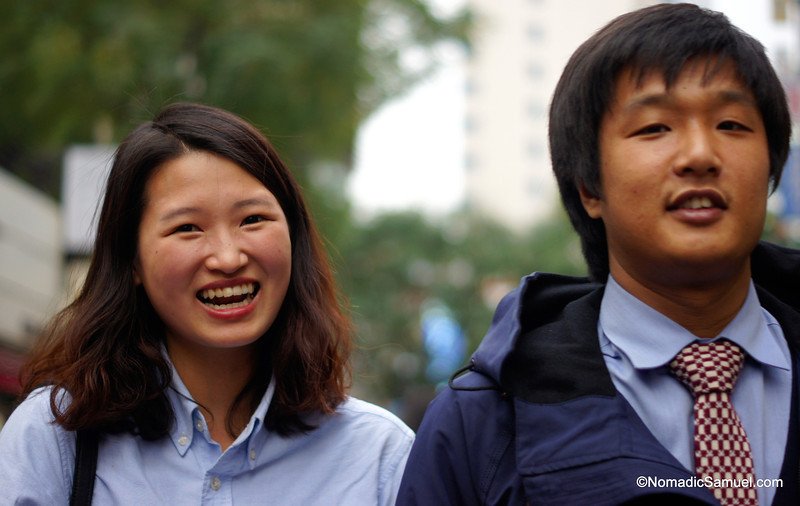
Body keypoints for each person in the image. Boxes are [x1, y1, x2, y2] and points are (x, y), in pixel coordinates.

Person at [397, 3, 800, 505]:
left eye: (732, 125)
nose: (700, 154)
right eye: (654, 127)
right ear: (589, 186)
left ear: (771, 168)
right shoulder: (482, 422)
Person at [0, 102, 413, 505]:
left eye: (252, 219)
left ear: (294, 237)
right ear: (132, 261)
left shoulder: (380, 457)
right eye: (187, 228)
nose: (228, 257)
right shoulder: (55, 438)